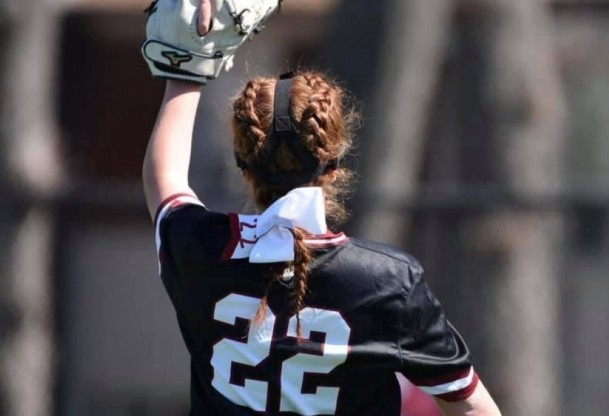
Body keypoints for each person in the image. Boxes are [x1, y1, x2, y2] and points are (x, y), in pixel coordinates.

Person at [142, 0, 503, 415]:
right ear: (333, 165)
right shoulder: (387, 281)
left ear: (243, 165)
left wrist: (186, 69)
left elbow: (163, 179)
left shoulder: (201, 251)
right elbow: (475, 408)